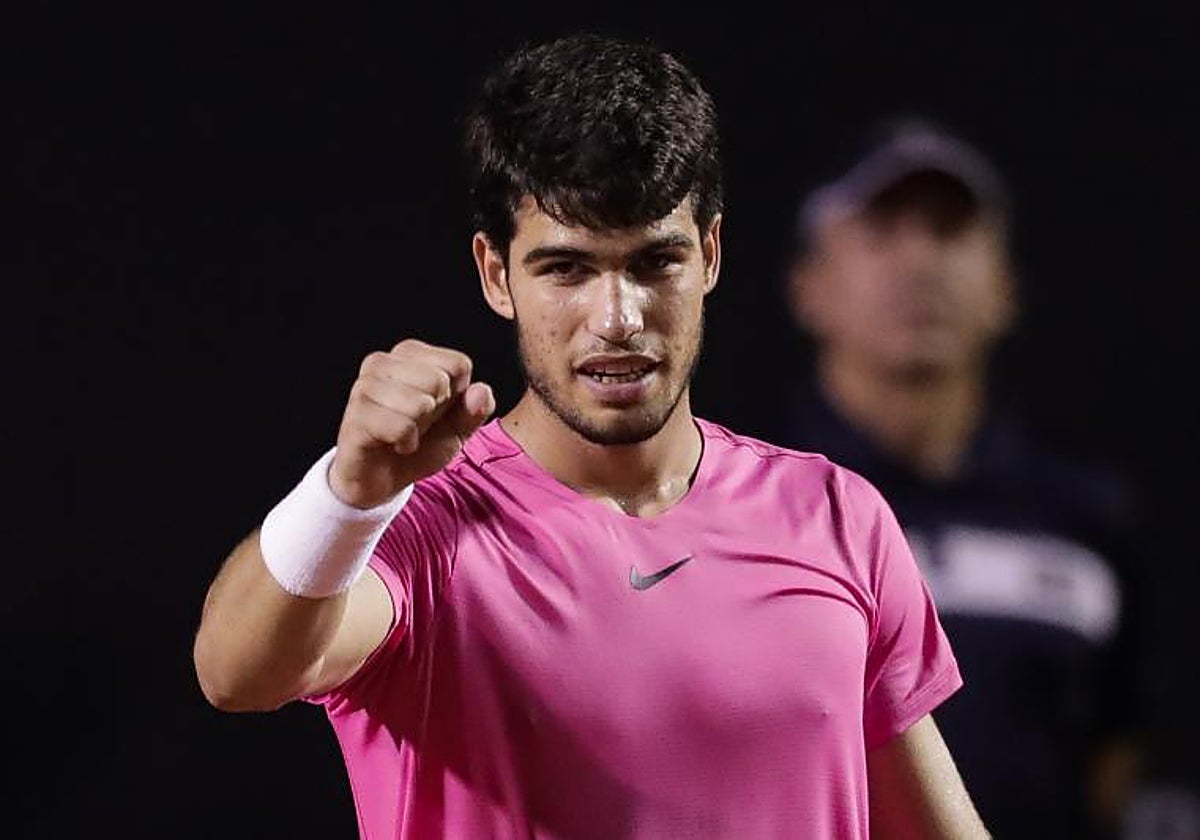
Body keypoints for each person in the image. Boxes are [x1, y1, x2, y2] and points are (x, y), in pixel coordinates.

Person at [192, 34, 989, 839]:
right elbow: (235, 674)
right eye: (567, 269)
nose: (617, 320)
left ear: (709, 255)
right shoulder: (419, 526)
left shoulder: (835, 517)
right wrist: (347, 495)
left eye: (654, 263)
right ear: (496, 274)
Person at [775, 117, 1148, 839]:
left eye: (949, 231)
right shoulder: (744, 504)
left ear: (1006, 287)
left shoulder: (1088, 521)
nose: (919, 262)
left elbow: (1116, 762)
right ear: (808, 287)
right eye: (882, 233)